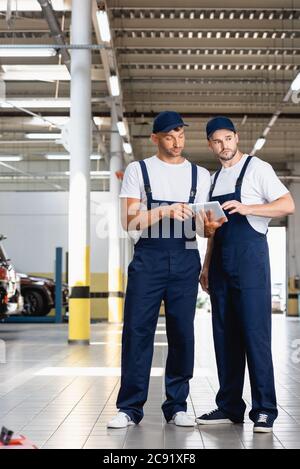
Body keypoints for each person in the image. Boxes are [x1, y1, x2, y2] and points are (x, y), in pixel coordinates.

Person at [107, 111, 225, 428]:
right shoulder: (138, 170)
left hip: (185, 257)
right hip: (148, 258)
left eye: (181, 136)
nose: (177, 143)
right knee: (137, 331)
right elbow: (128, 221)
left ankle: (177, 405)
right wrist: (165, 210)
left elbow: (201, 229)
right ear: (156, 138)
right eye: (170, 137)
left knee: (182, 333)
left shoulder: (200, 175)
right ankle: (129, 408)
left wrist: (210, 228)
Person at [196, 116, 295, 433]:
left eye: (227, 138)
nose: (223, 145)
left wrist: (249, 208)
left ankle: (265, 409)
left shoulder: (257, 169)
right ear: (211, 144)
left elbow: (288, 204)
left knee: (255, 335)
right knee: (224, 337)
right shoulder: (212, 180)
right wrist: (207, 265)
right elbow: (210, 230)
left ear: (236, 138)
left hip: (251, 261)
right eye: (216, 140)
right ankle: (229, 406)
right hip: (221, 264)